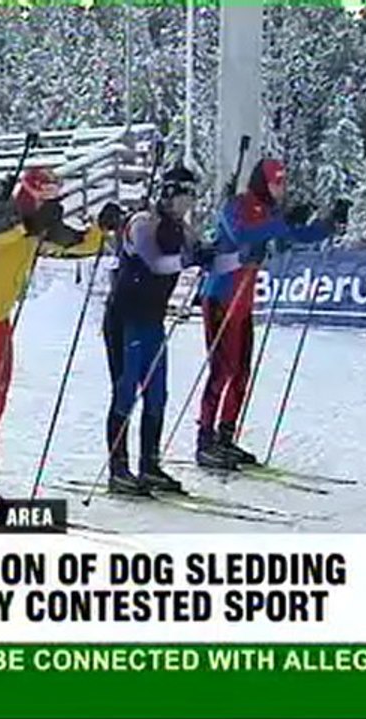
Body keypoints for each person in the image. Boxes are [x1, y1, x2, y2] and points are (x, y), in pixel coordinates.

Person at [0, 166, 114, 502]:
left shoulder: (40, 226)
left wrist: (101, 228)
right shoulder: (3, 215)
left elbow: (76, 245)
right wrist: (26, 226)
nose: (51, 203)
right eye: (46, 196)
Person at [196, 158, 347, 469]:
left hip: (244, 301)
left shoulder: (269, 211)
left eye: (282, 182)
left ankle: (225, 436)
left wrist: (328, 225)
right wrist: (281, 223)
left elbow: (291, 239)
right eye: (276, 182)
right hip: (221, 295)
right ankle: (205, 441)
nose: (280, 187)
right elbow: (242, 236)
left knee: (242, 373)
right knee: (221, 371)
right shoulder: (236, 205)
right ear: (262, 182)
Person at [102, 166, 199, 496]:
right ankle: (118, 470)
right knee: (125, 391)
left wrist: (238, 254)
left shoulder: (183, 230)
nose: (189, 203)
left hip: (152, 321)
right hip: (124, 318)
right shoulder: (143, 223)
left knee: (157, 394)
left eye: (192, 197)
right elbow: (156, 262)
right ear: (169, 193)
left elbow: (209, 258)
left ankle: (150, 465)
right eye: (185, 196)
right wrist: (190, 259)